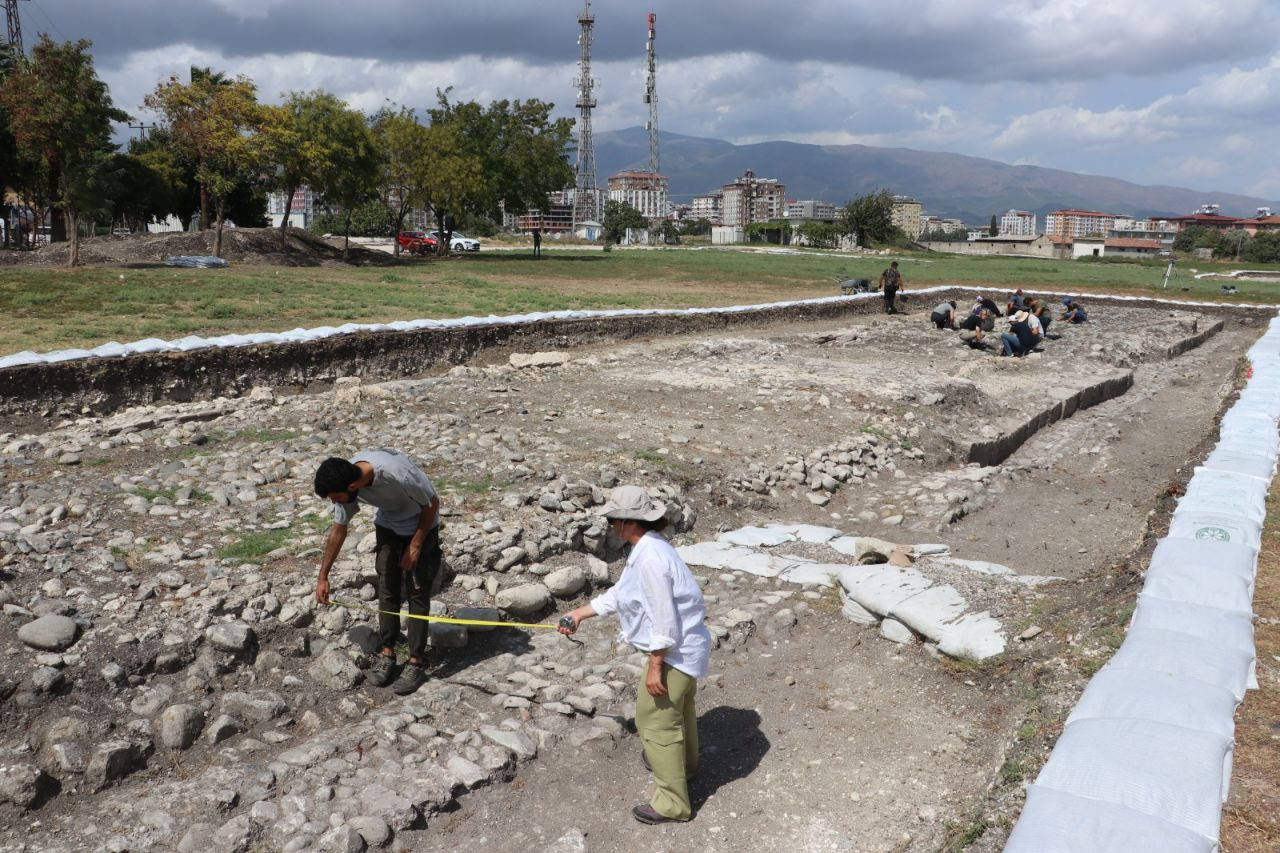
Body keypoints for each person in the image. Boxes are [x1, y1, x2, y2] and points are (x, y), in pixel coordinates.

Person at [557, 486, 711, 825]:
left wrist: (656, 665)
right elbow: (622, 595)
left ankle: (673, 803)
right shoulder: (647, 549)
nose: (610, 525)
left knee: (653, 720)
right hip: (683, 649)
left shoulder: (651, 558)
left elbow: (664, 617)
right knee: (677, 713)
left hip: (674, 652)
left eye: (613, 519)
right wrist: (579, 614)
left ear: (629, 522)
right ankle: (682, 767)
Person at [314, 449, 442, 696]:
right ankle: (388, 654)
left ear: (353, 486)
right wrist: (323, 577)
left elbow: (432, 504)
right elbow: (339, 530)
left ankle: (416, 661)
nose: (334, 502)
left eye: (335, 497)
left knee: (416, 591)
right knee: (387, 588)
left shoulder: (397, 474)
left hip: (421, 524)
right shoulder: (347, 481)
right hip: (388, 525)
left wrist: (415, 546)